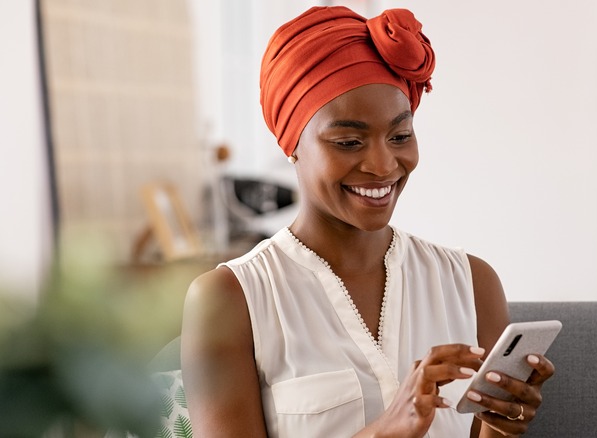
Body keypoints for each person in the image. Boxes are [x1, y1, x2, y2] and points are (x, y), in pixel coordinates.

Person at [181, 5, 555, 437]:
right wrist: (383, 431)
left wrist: (503, 427)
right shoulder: (229, 299)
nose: (382, 165)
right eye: (349, 141)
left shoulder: (472, 283)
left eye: (400, 136)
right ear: (291, 144)